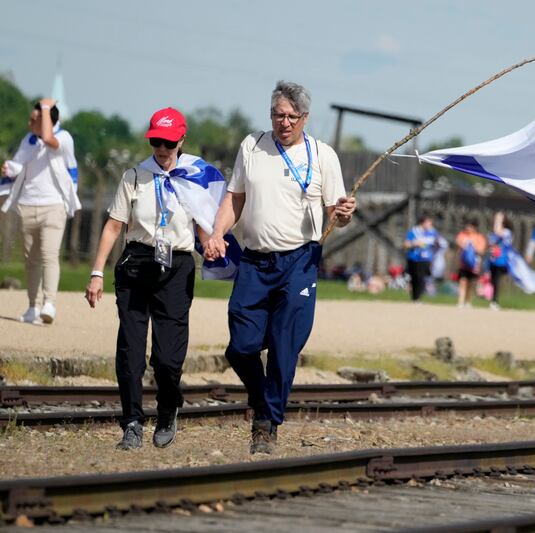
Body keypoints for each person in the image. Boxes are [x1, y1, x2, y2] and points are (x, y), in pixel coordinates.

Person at [204, 81, 355, 454]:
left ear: (305, 118)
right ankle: (262, 400)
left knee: (284, 348)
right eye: (277, 115)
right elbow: (234, 198)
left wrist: (343, 214)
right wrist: (217, 232)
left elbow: (336, 213)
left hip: (299, 261)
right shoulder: (252, 146)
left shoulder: (323, 155)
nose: (283, 123)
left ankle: (266, 424)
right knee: (241, 347)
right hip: (254, 261)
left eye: (291, 117)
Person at [85, 107, 216, 450]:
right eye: (156, 140)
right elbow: (114, 226)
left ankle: (168, 409)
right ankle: (131, 422)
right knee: (130, 349)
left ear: (181, 141)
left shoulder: (193, 178)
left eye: (169, 142)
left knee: (167, 358)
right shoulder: (134, 176)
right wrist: (96, 273)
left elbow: (204, 230)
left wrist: (214, 248)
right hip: (136, 264)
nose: (161, 148)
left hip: (178, 266)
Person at [1, 98, 80, 324]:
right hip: (27, 204)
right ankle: (32, 306)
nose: (29, 124)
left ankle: (49, 303)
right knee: (30, 260)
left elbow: (48, 138)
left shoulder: (63, 138)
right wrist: (9, 168)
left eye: (34, 119)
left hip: (53, 206)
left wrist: (45, 107)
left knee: (49, 255)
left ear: (48, 119)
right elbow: (19, 164)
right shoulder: (28, 140)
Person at [404, 215, 438, 302]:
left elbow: (438, 244)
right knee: (414, 277)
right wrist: (414, 244)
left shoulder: (433, 232)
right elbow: (405, 244)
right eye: (428, 222)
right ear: (423, 223)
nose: (430, 224)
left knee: (421, 278)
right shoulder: (414, 232)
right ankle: (414, 297)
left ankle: (418, 297)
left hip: (425, 259)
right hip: (414, 258)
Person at [455, 219, 487, 308]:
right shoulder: (462, 235)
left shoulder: (479, 237)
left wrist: (473, 248)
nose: (467, 228)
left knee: (470, 283)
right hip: (463, 264)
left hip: (474, 264)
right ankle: (460, 301)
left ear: (474, 227)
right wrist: (464, 245)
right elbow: (458, 243)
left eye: (469, 226)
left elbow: (481, 250)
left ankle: (468, 301)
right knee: (462, 281)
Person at [487, 212, 513, 310]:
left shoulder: (506, 232)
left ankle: (495, 300)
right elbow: (491, 243)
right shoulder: (492, 233)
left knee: (497, 280)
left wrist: (497, 224)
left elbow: (499, 233)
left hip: (502, 260)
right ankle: (493, 299)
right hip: (493, 260)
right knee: (493, 280)